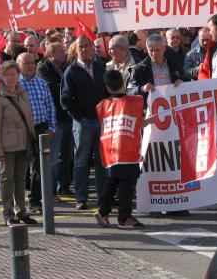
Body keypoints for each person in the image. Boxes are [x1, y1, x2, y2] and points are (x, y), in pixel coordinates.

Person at [94, 69, 146, 229]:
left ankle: (103, 211)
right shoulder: (136, 101)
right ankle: (124, 217)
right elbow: (139, 119)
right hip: (127, 149)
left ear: (107, 87)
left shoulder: (101, 106)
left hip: (110, 150)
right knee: (127, 185)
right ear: (123, 83)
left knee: (113, 181)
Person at [61, 36, 107, 210]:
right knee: (81, 161)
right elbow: (65, 100)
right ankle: (81, 198)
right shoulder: (71, 71)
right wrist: (80, 118)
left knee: (102, 161)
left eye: (87, 45)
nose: (85, 49)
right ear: (76, 49)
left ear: (92, 48)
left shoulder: (99, 67)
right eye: (81, 46)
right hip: (83, 123)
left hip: (101, 121)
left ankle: (104, 196)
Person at [0, 60, 37, 225]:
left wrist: (32, 140)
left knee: (21, 179)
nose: (11, 78)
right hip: (7, 145)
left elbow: (29, 119)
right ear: (2, 77)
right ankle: (8, 214)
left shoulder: (23, 92)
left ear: (18, 75)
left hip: (23, 143)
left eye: (14, 74)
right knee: (7, 180)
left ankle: (21, 211)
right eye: (7, 75)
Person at [17, 51, 57, 213]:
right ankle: (18, 203)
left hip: (41, 128)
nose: (30, 66)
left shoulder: (42, 83)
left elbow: (50, 107)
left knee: (39, 168)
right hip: (21, 129)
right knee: (20, 168)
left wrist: (52, 128)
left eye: (32, 63)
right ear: (18, 65)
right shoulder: (14, 85)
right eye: (26, 63)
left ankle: (35, 201)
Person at [37, 41, 73, 196]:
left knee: (67, 156)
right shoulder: (43, 69)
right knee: (53, 158)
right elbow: (54, 89)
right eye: (60, 51)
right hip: (54, 120)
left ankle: (64, 186)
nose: (64, 53)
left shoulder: (65, 67)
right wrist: (64, 86)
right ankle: (50, 190)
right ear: (51, 54)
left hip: (68, 118)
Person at [128, 34, 186, 104]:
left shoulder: (175, 66)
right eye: (151, 50)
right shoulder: (139, 69)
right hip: (150, 110)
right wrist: (142, 89)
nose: (154, 54)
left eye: (157, 50)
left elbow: (187, 82)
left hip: (173, 107)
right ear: (147, 49)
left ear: (164, 48)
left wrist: (182, 83)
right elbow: (129, 91)